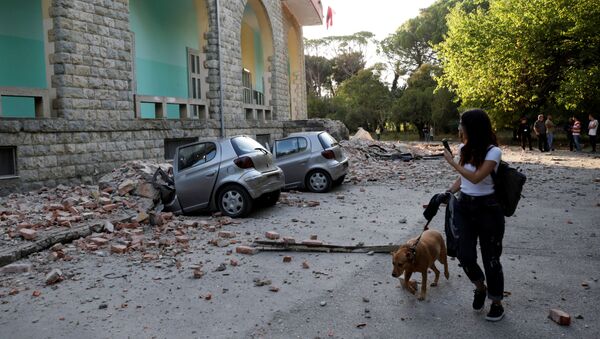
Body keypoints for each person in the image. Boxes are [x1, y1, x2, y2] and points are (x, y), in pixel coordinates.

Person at [443, 109, 506, 322]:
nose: (459, 127)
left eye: (462, 124)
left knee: (491, 259)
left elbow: (478, 177)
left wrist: (452, 163)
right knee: (465, 254)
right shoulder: (464, 148)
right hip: (465, 207)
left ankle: (496, 302)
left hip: (488, 209)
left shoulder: (493, 152)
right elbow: (465, 180)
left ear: (473, 127)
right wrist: (448, 192)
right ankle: (480, 287)